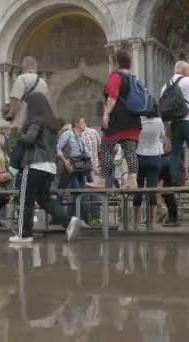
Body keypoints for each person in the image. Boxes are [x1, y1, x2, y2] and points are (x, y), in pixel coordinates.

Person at [12, 92, 88, 244]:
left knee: (26, 200)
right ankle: (69, 221)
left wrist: (17, 134)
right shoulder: (52, 124)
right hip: (50, 167)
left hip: (34, 164)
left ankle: (24, 234)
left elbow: (29, 139)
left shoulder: (35, 121)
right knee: (44, 199)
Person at [96, 48, 142, 189]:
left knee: (106, 148)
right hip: (133, 120)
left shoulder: (116, 77)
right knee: (130, 151)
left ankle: (102, 181)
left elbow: (112, 97)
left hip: (117, 120)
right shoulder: (133, 79)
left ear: (116, 62)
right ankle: (132, 181)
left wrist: (106, 114)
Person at [133, 110, 165, 228]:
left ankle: (136, 221)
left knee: (138, 189)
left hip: (140, 156)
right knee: (152, 190)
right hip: (154, 156)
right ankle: (152, 221)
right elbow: (162, 136)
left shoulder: (139, 120)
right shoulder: (159, 121)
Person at [57, 117, 93, 222]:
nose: (85, 124)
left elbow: (85, 152)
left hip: (81, 169)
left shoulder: (81, 137)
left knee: (80, 194)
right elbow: (58, 148)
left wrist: (93, 167)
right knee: (78, 193)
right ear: (77, 124)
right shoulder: (68, 134)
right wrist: (65, 160)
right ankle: (79, 220)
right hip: (72, 168)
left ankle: (75, 219)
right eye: (83, 122)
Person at [6, 56, 49, 126]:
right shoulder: (43, 83)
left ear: (23, 67)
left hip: (23, 122)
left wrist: (10, 113)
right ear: (36, 68)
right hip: (38, 123)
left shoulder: (21, 79)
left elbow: (16, 100)